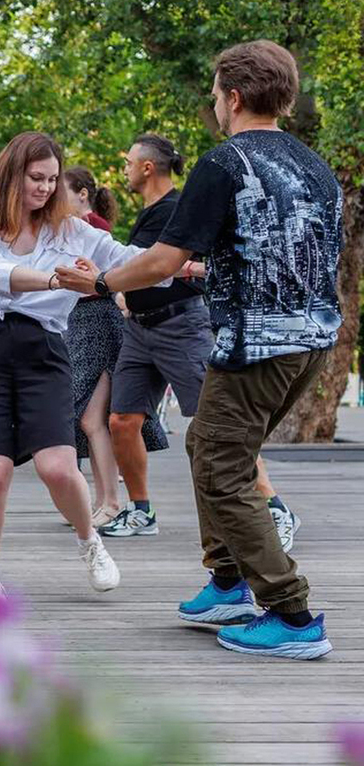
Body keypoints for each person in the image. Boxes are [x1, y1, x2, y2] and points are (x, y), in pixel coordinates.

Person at [56, 40, 341, 659]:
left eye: (216, 94)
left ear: (233, 97)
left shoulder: (224, 163)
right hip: (313, 338)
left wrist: (100, 282)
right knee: (205, 442)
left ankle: (291, 614)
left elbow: (161, 259)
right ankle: (228, 579)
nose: (215, 105)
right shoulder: (312, 166)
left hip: (255, 344)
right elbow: (285, 257)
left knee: (224, 466)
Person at [0, 131, 169, 600]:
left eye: (52, 179)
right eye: (35, 178)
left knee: (59, 467)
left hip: (43, 349)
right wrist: (61, 279)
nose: (44, 188)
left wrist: (181, 264)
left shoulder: (72, 230)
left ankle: (90, 542)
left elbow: (128, 258)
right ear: (11, 176)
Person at [101, 135, 299, 552]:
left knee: (218, 422)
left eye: (128, 161)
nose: (125, 169)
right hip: (139, 330)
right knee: (122, 420)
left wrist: (104, 278)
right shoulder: (149, 211)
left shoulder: (176, 208)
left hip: (182, 328)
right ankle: (142, 511)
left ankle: (275, 507)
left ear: (149, 167)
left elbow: (160, 264)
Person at [60, 166, 168, 526]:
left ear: (82, 194)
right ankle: (106, 501)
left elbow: (112, 273)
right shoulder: (68, 227)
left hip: (98, 324)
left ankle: (111, 502)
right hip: (84, 324)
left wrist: (185, 269)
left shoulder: (91, 227)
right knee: (92, 419)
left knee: (93, 419)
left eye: (60, 190)